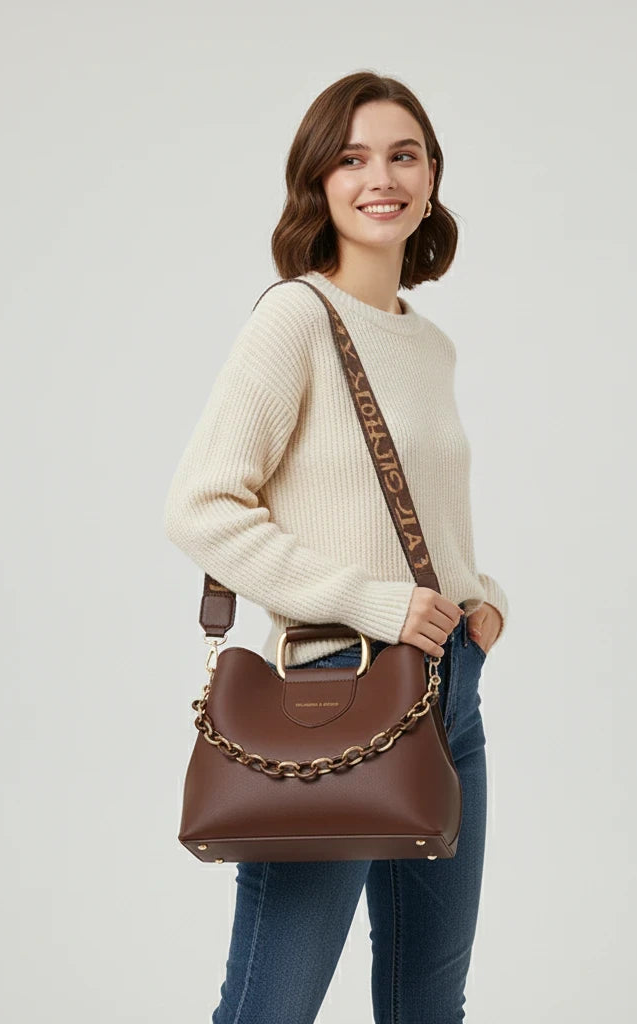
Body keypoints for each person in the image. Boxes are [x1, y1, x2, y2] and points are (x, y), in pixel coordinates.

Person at [163, 70, 509, 1024]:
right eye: (351, 158)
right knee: (276, 1000)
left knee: (427, 996)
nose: (380, 177)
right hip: (336, 692)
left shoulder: (428, 344)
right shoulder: (295, 320)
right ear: (318, 182)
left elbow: (422, 522)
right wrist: (374, 601)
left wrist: (484, 597)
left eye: (403, 155)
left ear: (432, 176)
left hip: (450, 692)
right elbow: (202, 508)